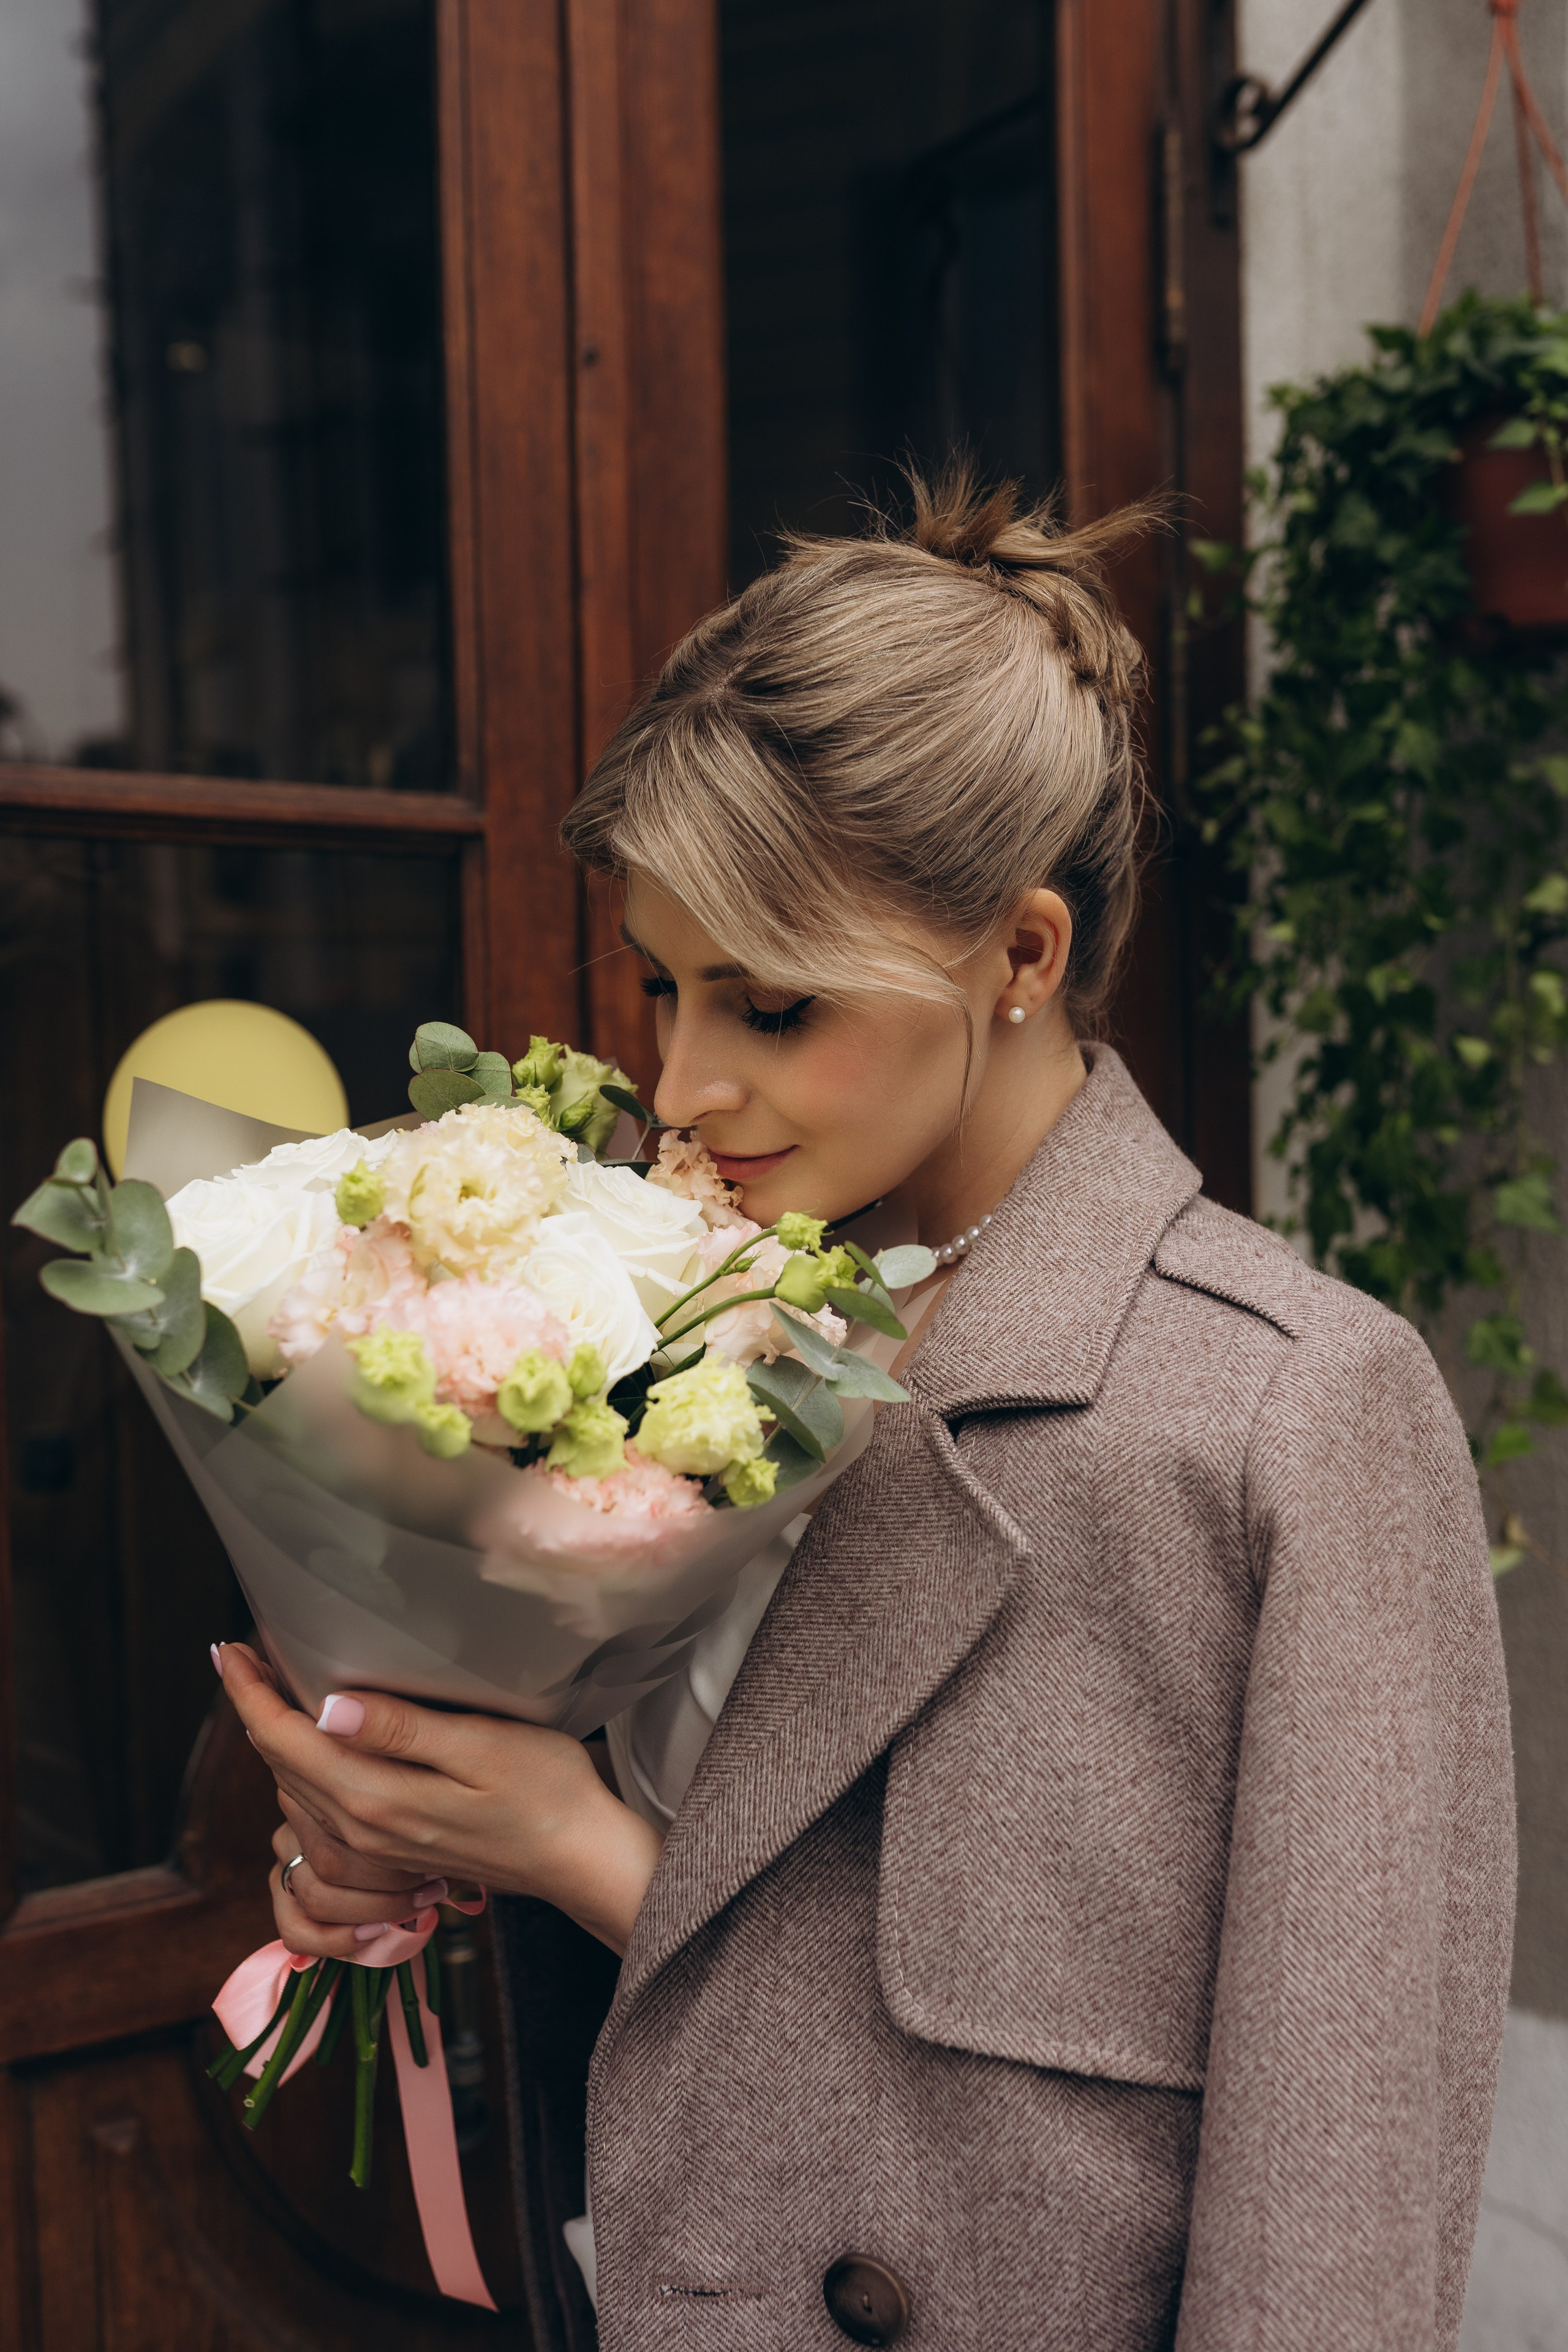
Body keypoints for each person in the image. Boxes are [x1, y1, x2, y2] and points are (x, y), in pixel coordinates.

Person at [218, 470, 1515, 2351]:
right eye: (663, 989)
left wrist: (570, 1846)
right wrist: (396, 1843)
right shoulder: (632, 1304)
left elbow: (1333, 2241)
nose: (680, 1084)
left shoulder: (1292, 1415)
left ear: (1022, 956)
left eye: (771, 1007)